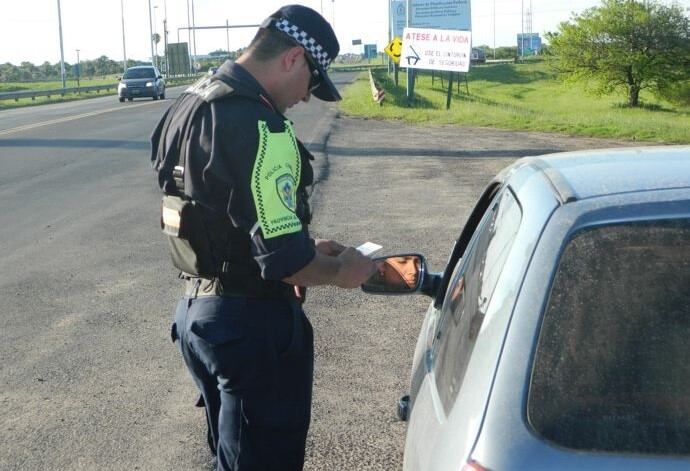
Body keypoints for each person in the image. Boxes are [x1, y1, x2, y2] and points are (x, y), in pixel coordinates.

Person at [150, 5, 375, 470]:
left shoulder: (190, 103)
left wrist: (306, 247)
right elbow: (285, 260)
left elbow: (218, 213)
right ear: (293, 58)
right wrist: (339, 271)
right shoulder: (261, 125)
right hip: (251, 324)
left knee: (233, 459)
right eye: (312, 81)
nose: (307, 98)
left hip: (200, 316)